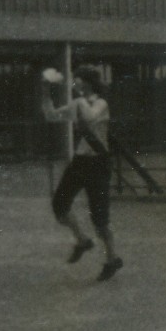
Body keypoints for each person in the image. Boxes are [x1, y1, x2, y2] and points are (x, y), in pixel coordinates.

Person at [43, 65, 122, 281]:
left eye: (77, 80)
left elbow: (89, 118)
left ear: (87, 82)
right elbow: (51, 116)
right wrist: (46, 94)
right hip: (80, 161)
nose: (74, 84)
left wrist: (77, 103)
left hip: (98, 163)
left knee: (100, 218)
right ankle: (82, 240)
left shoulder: (101, 103)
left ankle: (112, 259)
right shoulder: (79, 103)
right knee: (59, 205)